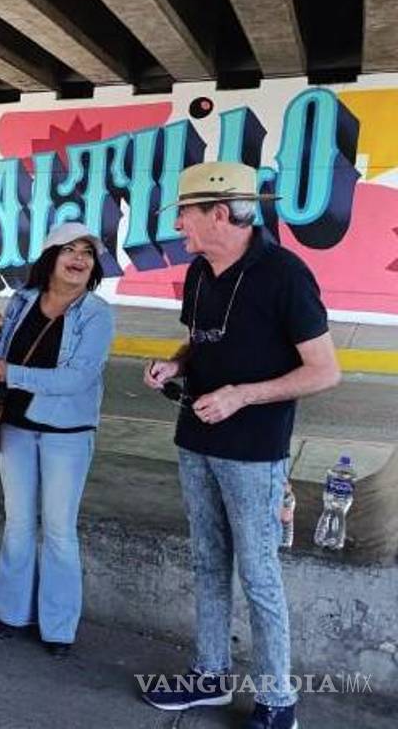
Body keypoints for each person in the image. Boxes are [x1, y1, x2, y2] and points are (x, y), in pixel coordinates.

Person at [141, 162, 340, 729]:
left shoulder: (285, 275)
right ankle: (210, 676)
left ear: (219, 214)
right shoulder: (202, 272)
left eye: (185, 214)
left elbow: (324, 372)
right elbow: (200, 342)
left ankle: (279, 702)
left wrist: (241, 397)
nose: (178, 226)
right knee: (207, 563)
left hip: (254, 453)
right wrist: (173, 364)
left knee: (258, 574)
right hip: (195, 439)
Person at [0, 221, 114, 658]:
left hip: (67, 436)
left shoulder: (96, 313)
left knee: (57, 530)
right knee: (18, 525)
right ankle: (11, 614)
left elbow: (77, 378)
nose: (78, 259)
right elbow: (3, 357)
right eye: (69, 250)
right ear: (50, 257)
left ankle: (58, 628)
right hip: (16, 425)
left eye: (87, 253)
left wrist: (9, 373)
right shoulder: (24, 300)